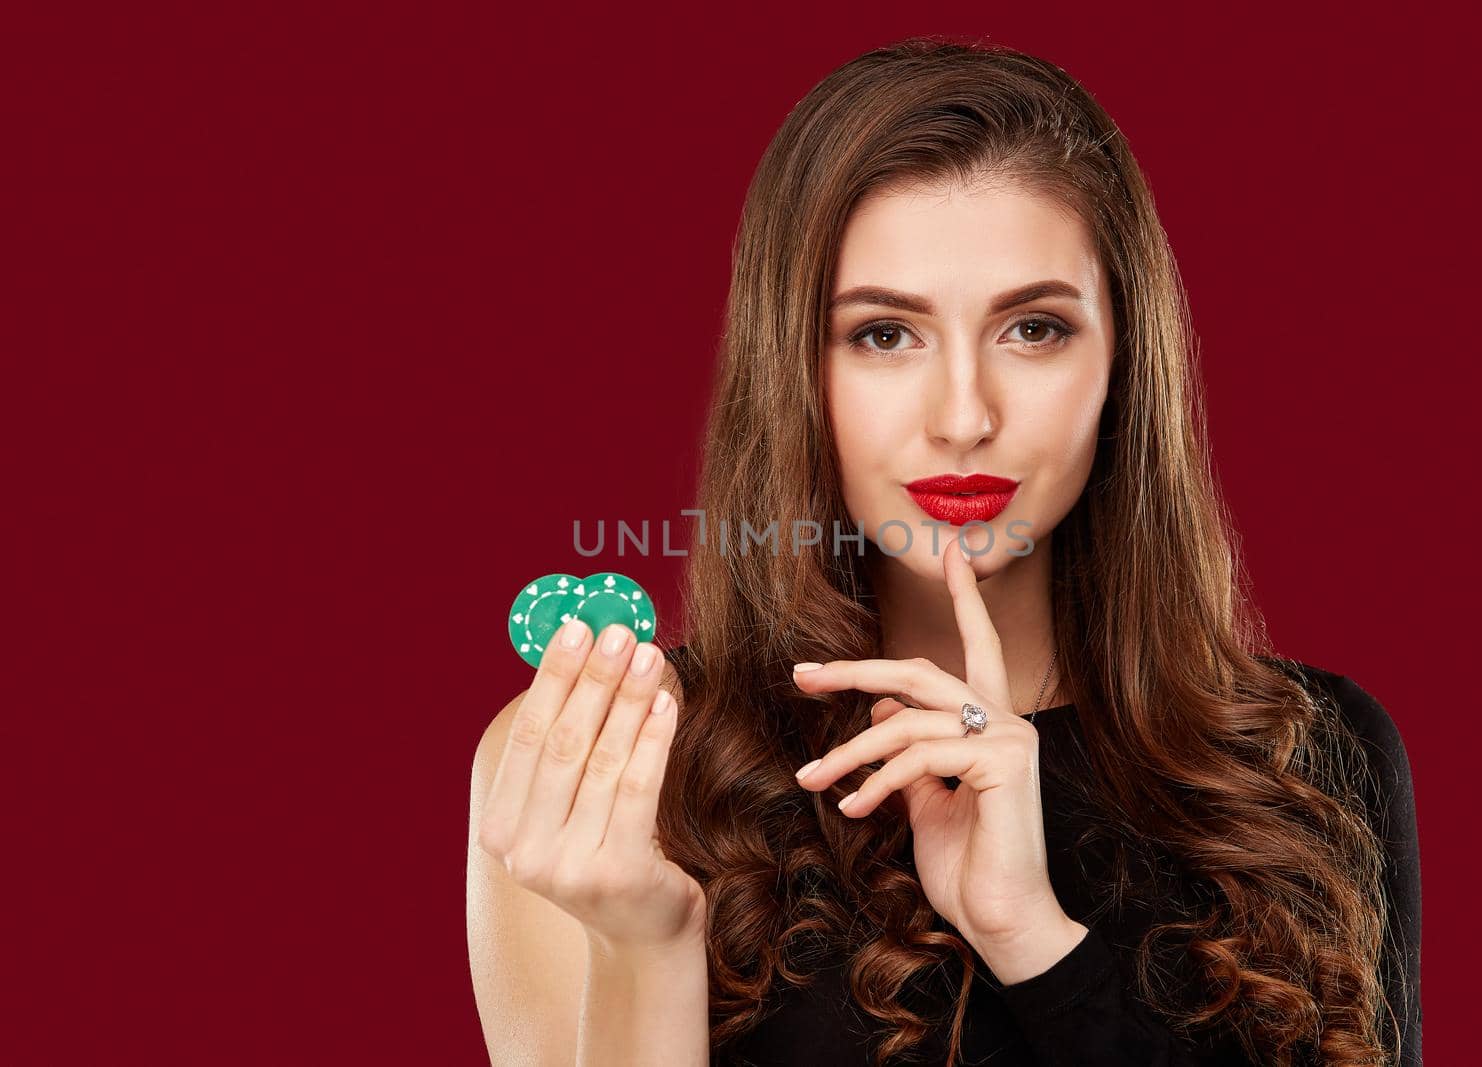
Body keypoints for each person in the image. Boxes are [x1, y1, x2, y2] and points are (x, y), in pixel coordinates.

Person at [466, 35, 1422, 1067]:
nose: (964, 415)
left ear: (1122, 363)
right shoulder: (607, 765)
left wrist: (1034, 939)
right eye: (883, 333)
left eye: (1035, 329)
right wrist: (644, 950)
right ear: (793, 369)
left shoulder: (1306, 756)